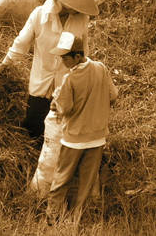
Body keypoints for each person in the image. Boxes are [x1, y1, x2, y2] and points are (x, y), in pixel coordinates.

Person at [0, 0, 99, 142]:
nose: (78, 9)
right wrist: (4, 64)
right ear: (64, 1)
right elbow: (21, 43)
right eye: (75, 5)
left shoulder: (82, 18)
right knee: (33, 128)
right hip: (41, 81)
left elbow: (83, 50)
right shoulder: (39, 16)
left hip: (67, 83)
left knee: (63, 131)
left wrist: (85, 79)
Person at [45, 31, 118, 225]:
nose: (62, 61)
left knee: (62, 178)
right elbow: (113, 95)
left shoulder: (70, 79)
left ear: (77, 55)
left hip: (74, 139)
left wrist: (56, 100)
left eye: (65, 57)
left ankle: (53, 218)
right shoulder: (101, 68)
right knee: (86, 183)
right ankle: (76, 219)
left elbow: (64, 108)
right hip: (97, 137)